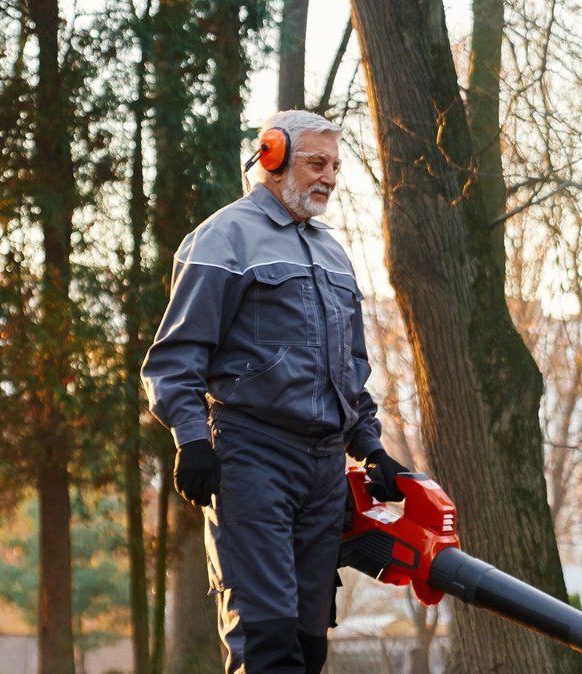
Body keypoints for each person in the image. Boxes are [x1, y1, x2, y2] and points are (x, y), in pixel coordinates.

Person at [140, 109, 410, 673]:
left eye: (335, 166)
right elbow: (175, 356)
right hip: (252, 457)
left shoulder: (333, 254)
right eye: (316, 163)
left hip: (323, 470)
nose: (329, 178)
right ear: (272, 158)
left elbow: (349, 368)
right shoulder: (223, 238)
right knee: (266, 640)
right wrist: (192, 439)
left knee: (309, 645)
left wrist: (371, 447)